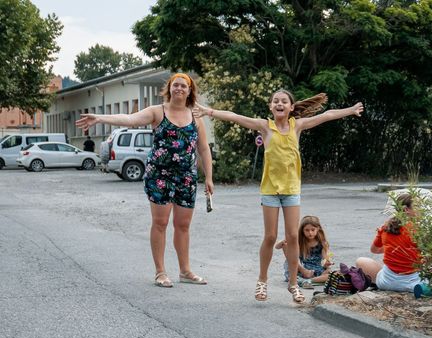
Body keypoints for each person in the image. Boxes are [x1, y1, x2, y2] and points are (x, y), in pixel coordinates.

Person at [193, 90, 362, 303]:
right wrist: (209, 111)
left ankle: (293, 284)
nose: (279, 104)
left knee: (292, 237)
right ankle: (262, 281)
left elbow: (327, 115)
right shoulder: (265, 126)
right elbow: (236, 117)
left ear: (291, 107)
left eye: (284, 101)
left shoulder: (297, 126)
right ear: (271, 107)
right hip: (270, 190)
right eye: (275, 101)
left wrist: (351, 110)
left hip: (291, 190)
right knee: (270, 237)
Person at [75, 73, 214, 288]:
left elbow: (204, 148)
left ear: (189, 90)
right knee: (161, 223)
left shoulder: (196, 116)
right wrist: (101, 118)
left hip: (186, 177)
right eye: (175, 85)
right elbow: (130, 119)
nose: (179, 89)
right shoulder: (157, 112)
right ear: (169, 88)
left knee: (183, 225)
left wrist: (209, 177)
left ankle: (185, 270)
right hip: (159, 176)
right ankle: (160, 272)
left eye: (183, 86)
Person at [355, 193, 422, 292]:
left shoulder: (385, 227)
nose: (422, 210)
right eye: (418, 207)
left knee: (360, 261)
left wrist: (393, 247)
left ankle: (381, 284)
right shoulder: (419, 230)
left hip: (386, 282)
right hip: (414, 282)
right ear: (406, 210)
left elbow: (374, 250)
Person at [275, 215, 332, 288]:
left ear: (317, 229)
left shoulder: (322, 243)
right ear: (302, 230)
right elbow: (277, 247)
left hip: (315, 269)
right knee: (286, 245)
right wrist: (284, 241)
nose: (310, 233)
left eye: (313, 230)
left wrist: (327, 263)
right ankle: (302, 278)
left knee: (331, 274)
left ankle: (308, 281)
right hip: (299, 267)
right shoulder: (299, 241)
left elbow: (325, 259)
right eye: (307, 230)